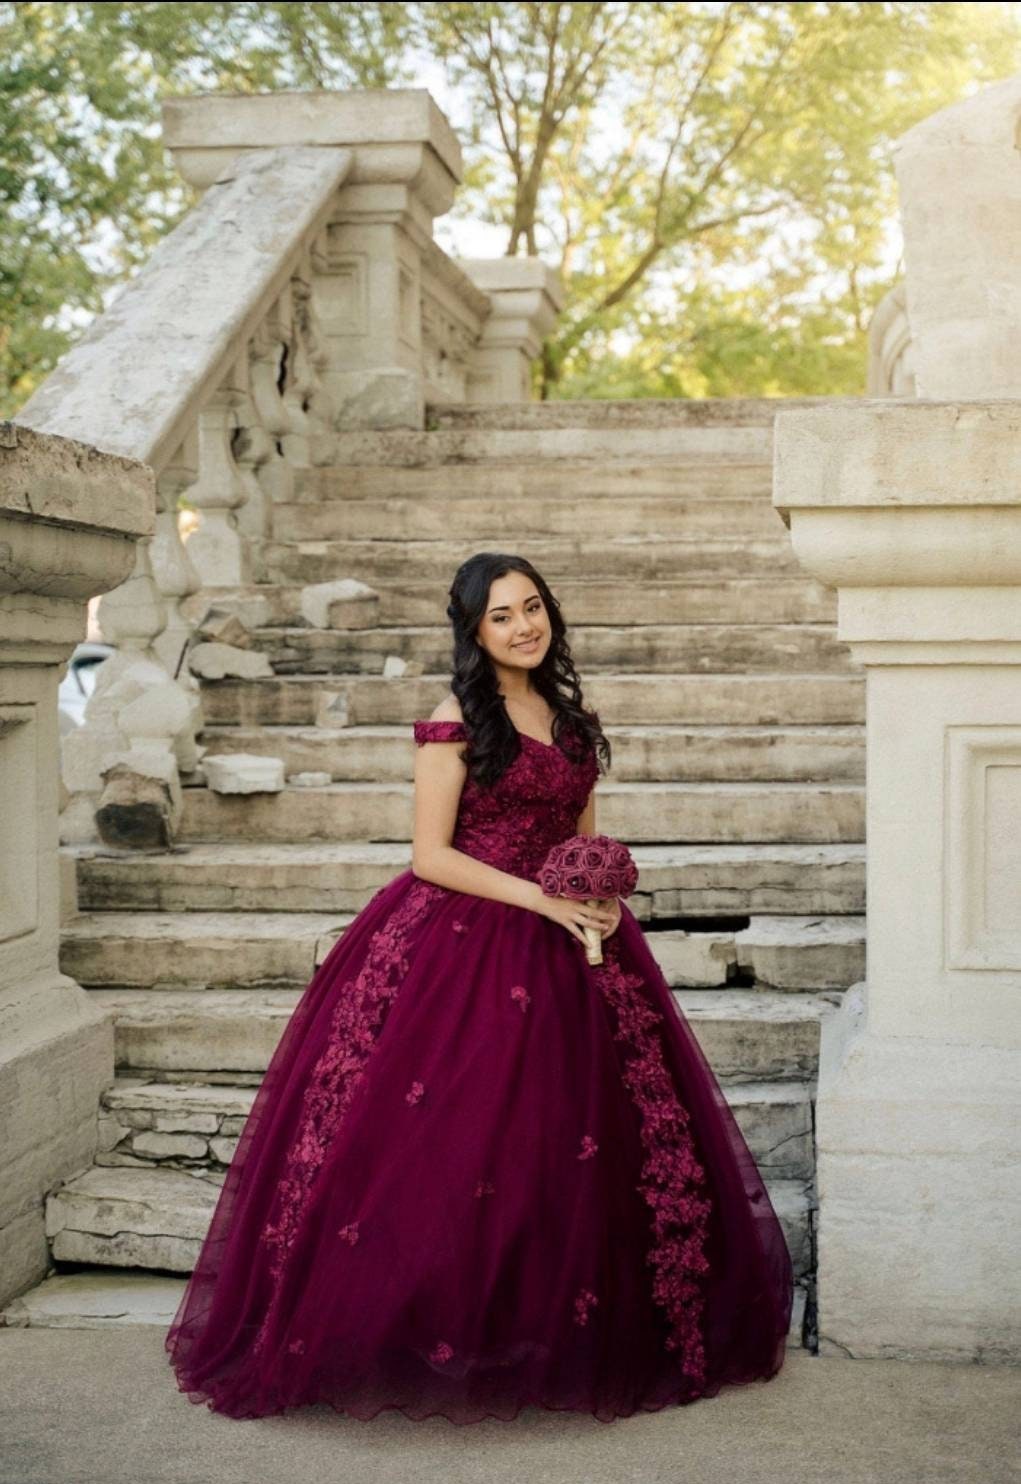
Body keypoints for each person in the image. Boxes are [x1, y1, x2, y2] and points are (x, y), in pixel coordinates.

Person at [165, 551, 793, 1424]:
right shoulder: (456, 716)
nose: (523, 626)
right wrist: (540, 896)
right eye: (501, 615)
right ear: (472, 631)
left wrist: (597, 895)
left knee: (573, 1140)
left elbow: (582, 839)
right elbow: (430, 854)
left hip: (573, 944)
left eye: (532, 607)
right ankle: (443, 1338)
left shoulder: (571, 719)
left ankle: (552, 1334)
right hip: (466, 938)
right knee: (459, 1144)